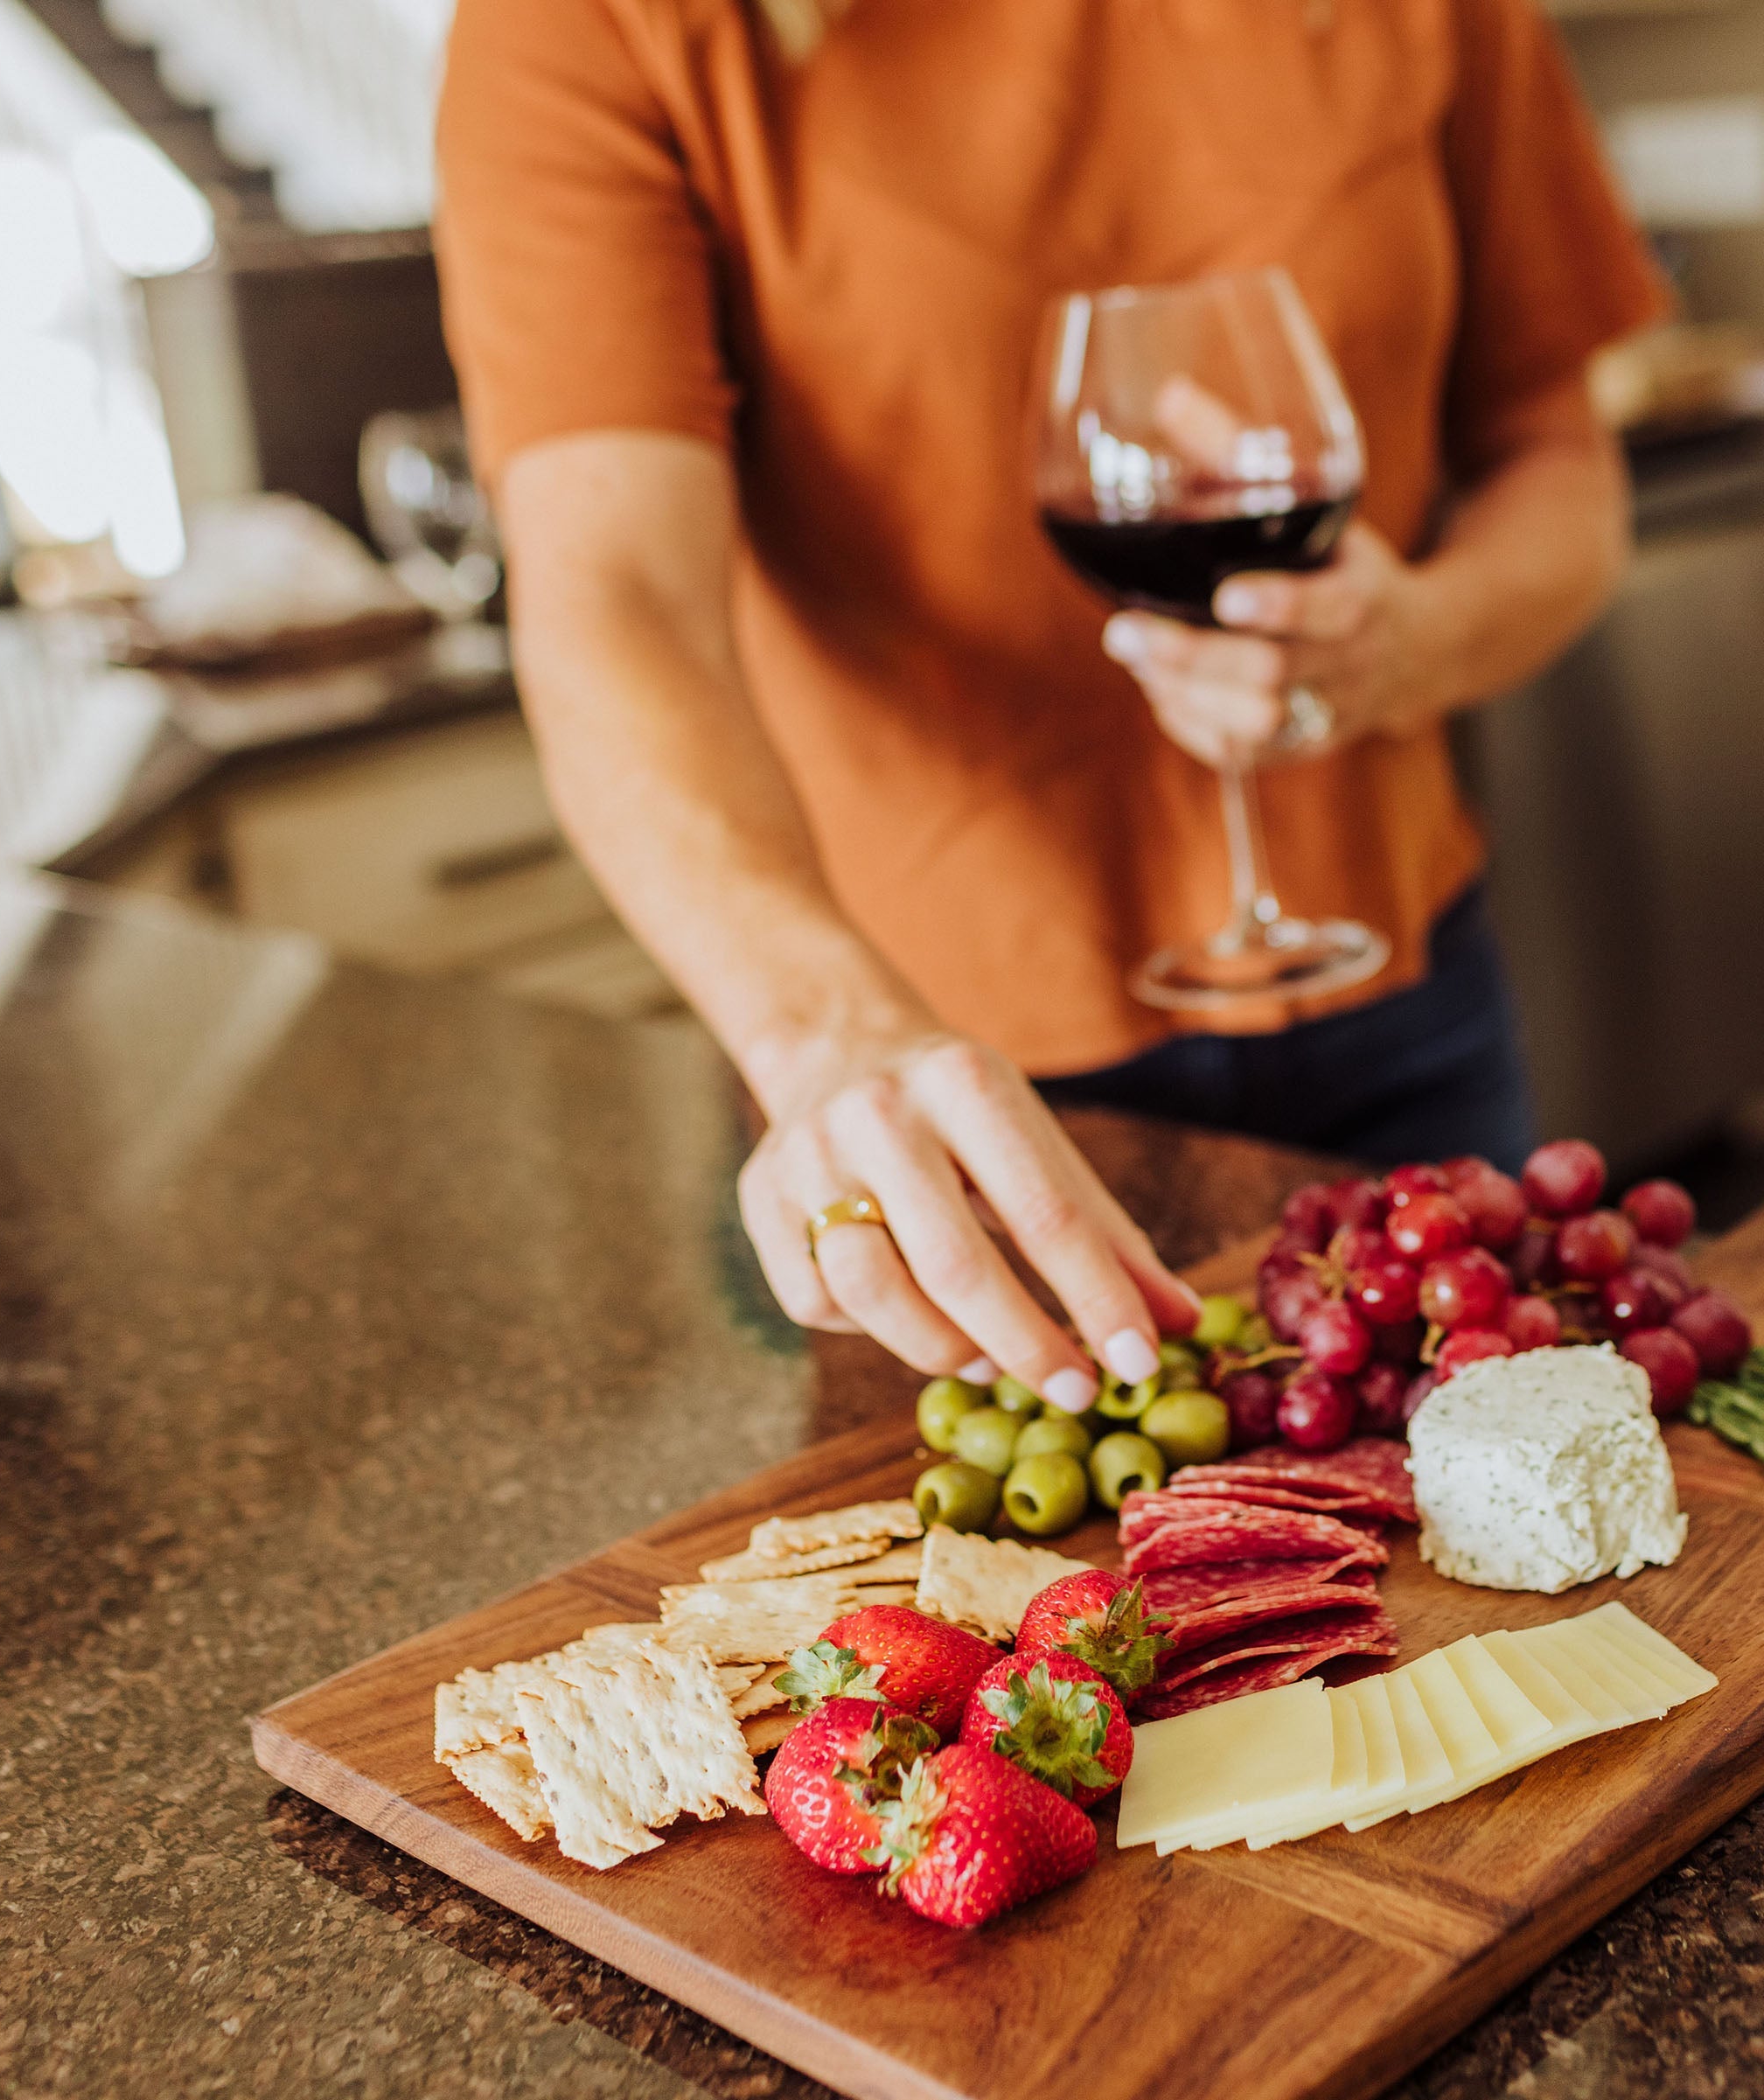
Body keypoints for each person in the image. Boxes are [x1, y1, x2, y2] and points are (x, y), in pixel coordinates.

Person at [434, 0, 1665, 1413]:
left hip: (1400, 1005)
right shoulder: (593, 23)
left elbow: (1556, 457)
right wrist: (827, 1036)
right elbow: (616, 599)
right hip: (951, 1105)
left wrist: (1420, 640)